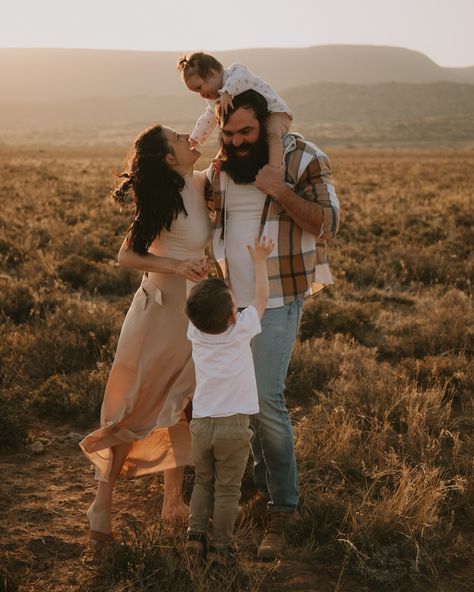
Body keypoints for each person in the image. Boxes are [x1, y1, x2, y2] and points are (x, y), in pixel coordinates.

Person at [206, 90, 340, 560]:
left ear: (265, 124)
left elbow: (328, 223)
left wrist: (279, 190)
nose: (238, 141)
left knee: (266, 399)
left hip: (279, 297)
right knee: (244, 404)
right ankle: (263, 491)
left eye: (247, 131)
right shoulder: (222, 169)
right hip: (231, 306)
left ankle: (284, 508)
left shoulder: (303, 158)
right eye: (229, 134)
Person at [79, 125, 211, 546]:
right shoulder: (163, 197)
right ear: (168, 159)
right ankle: (102, 502)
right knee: (137, 406)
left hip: (189, 317)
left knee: (178, 403)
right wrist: (176, 266)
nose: (187, 137)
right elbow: (126, 255)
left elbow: (211, 129)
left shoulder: (197, 180)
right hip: (157, 315)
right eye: (177, 137)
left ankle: (173, 502)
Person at [184, 236, 274, 565]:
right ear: (234, 316)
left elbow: (193, 305)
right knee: (227, 489)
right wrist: (261, 262)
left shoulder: (195, 331)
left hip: (202, 424)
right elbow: (262, 298)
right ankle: (221, 547)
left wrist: (191, 279)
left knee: (203, 482)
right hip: (234, 427)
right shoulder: (242, 329)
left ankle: (195, 536)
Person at [177, 51, 292, 171]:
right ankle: (226, 166)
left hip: (277, 113)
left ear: (212, 74)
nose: (201, 94)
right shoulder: (215, 100)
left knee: (272, 135)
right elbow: (208, 117)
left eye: (199, 88)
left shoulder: (235, 71)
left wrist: (228, 92)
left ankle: (275, 169)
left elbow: (244, 79)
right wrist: (195, 137)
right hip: (255, 123)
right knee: (231, 141)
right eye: (197, 92)